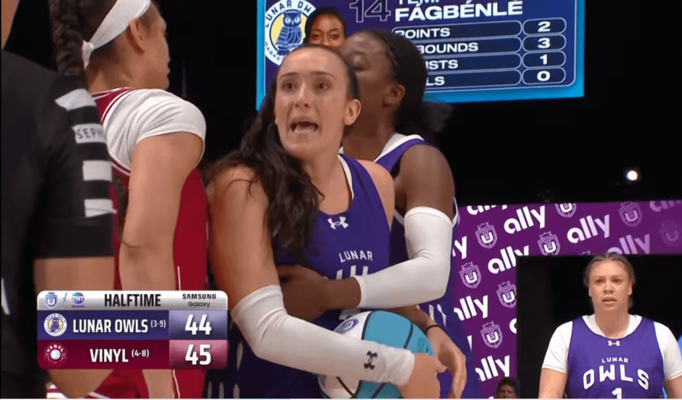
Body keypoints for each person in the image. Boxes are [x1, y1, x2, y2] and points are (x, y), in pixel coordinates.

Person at [204, 44, 445, 399]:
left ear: (351, 111)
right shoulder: (244, 185)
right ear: (275, 109)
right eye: (288, 86)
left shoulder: (376, 182)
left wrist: (428, 327)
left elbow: (372, 291)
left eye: (321, 86)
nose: (301, 99)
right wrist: (400, 367)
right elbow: (265, 331)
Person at [275, 29, 484, 398]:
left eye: (354, 66)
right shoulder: (315, 166)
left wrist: (326, 294)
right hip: (348, 353)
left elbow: (432, 273)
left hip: (420, 348)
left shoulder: (416, 159)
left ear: (393, 94)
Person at [46, 0, 208, 398]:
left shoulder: (44, 121)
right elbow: (141, 250)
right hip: (133, 384)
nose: (168, 51)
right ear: (137, 31)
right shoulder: (160, 112)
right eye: (163, 33)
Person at [1, 0, 115, 397]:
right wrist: (195, 326)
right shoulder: (54, 106)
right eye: (163, 35)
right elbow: (77, 364)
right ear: (138, 35)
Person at [539, 253, 682, 399]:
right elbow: (549, 395)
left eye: (617, 281)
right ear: (589, 289)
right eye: (599, 281)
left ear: (630, 287)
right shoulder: (566, 334)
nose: (608, 289)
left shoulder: (660, 334)